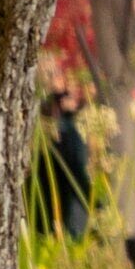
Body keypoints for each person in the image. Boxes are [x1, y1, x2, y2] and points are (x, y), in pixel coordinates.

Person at [30, 83, 93, 239]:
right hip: (52, 214)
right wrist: (94, 207)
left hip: (32, 213)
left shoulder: (54, 132)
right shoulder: (68, 134)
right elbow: (77, 174)